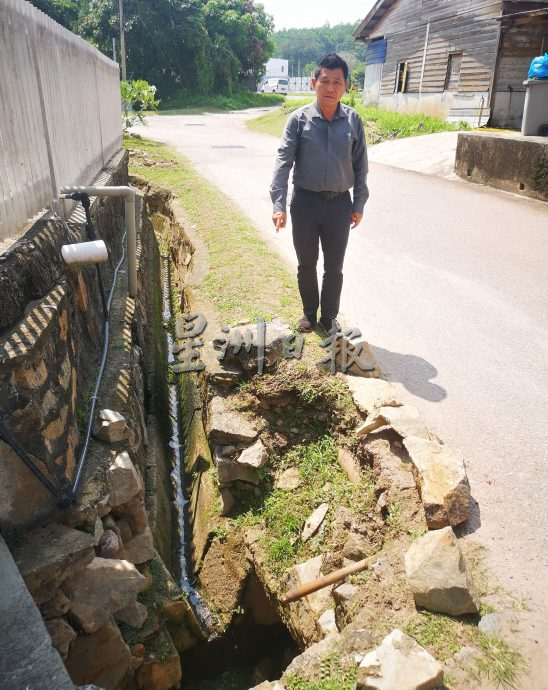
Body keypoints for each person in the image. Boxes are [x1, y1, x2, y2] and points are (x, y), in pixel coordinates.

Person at [270, 53, 369, 334]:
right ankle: (309, 314)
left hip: (340, 205)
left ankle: (329, 317)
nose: (330, 87)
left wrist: (359, 202)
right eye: (325, 80)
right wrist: (279, 205)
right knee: (306, 263)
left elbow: (361, 167)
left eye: (337, 81)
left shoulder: (353, 121)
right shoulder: (298, 120)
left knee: (334, 267)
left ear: (345, 85)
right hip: (305, 204)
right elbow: (283, 163)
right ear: (314, 82)